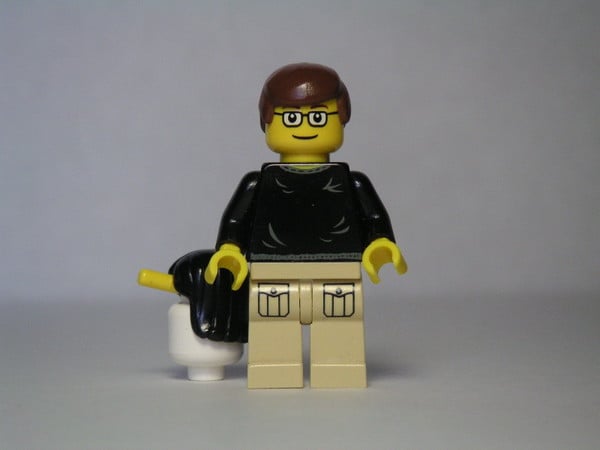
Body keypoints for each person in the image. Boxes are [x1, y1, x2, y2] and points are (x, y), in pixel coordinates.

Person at [205, 62, 407, 388]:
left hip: (338, 267)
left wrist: (380, 243)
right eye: (290, 117)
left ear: (341, 119)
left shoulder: (351, 182)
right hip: (272, 268)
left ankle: (339, 368)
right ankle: (274, 369)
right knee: (272, 320)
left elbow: (374, 219)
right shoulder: (259, 183)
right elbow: (235, 221)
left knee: (339, 318)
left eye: (318, 117)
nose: (304, 126)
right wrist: (229, 249)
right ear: (267, 122)